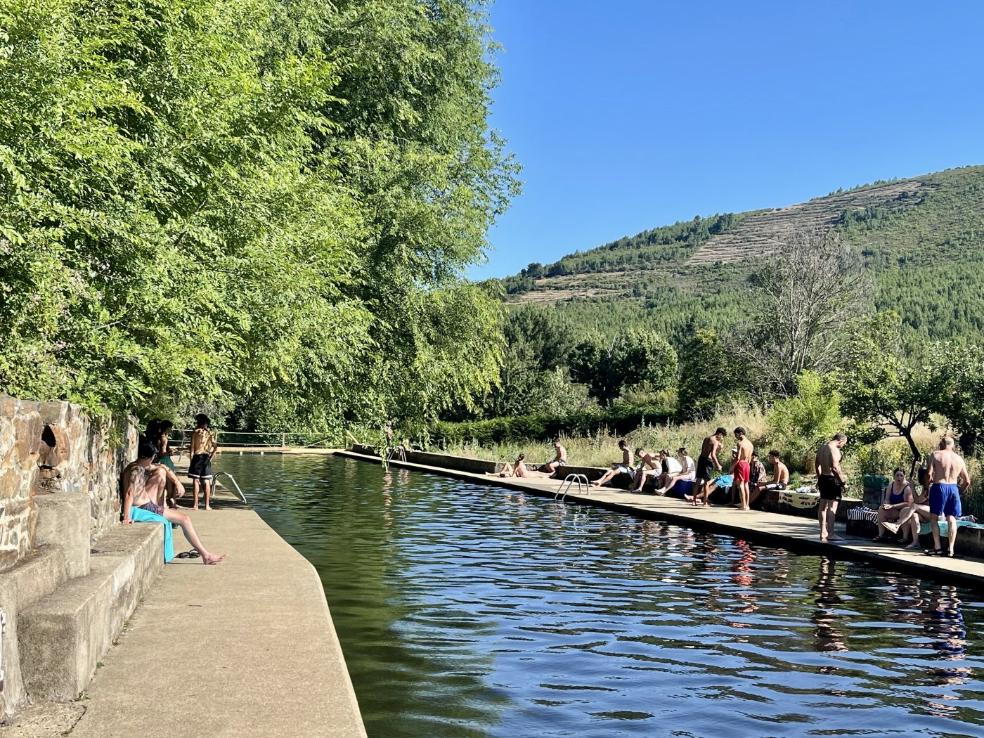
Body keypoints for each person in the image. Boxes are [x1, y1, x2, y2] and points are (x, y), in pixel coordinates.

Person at [121, 438, 225, 565]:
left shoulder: (136, 466)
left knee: (161, 473)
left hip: (146, 505)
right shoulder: (137, 470)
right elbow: (129, 493)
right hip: (144, 507)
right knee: (184, 519)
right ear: (148, 457)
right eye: (153, 458)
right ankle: (206, 555)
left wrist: (177, 482)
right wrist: (126, 517)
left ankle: (205, 554)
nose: (153, 460)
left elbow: (161, 467)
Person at [925, 437, 972, 558]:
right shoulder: (959, 459)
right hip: (953, 488)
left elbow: (929, 475)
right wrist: (959, 492)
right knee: (951, 518)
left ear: (942, 444)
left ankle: (937, 548)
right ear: (953, 445)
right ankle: (951, 549)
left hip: (939, 486)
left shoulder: (935, 454)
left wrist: (926, 487)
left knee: (934, 518)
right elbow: (967, 481)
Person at [816, 433, 848, 543]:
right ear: (840, 441)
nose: (842, 446)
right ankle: (831, 534)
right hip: (832, 479)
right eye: (843, 444)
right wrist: (842, 482)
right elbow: (834, 468)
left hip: (823, 478)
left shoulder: (822, 448)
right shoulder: (834, 449)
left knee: (822, 507)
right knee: (832, 507)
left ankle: (822, 532)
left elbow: (817, 465)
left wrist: (819, 478)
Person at [873, 468, 914, 542]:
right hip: (893, 510)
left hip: (904, 510)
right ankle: (881, 535)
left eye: (901, 475)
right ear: (894, 476)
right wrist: (887, 505)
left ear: (904, 476)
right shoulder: (891, 485)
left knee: (905, 511)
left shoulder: (907, 488)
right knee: (881, 509)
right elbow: (887, 499)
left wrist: (893, 506)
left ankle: (905, 538)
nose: (899, 477)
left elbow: (908, 503)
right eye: (897, 475)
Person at [188, 414, 218, 510]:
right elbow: (215, 446)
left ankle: (195, 505)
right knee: (206, 481)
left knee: (196, 481)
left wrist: (191, 460)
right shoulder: (210, 433)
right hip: (206, 457)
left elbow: (192, 449)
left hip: (197, 457)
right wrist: (211, 456)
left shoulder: (195, 432)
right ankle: (207, 505)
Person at [694, 427, 727, 506]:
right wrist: (718, 465)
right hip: (708, 461)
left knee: (698, 480)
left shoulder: (707, 438)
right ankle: (705, 502)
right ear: (720, 434)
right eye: (722, 436)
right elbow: (713, 454)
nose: (722, 438)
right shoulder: (715, 441)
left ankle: (694, 501)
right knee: (706, 482)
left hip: (701, 459)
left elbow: (703, 449)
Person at [733, 427, 754, 511]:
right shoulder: (750, 444)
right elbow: (750, 457)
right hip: (747, 464)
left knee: (740, 485)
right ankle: (747, 505)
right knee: (746, 484)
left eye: (736, 434)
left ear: (740, 433)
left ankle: (743, 505)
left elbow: (738, 458)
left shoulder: (740, 443)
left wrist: (732, 467)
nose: (736, 436)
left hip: (741, 464)